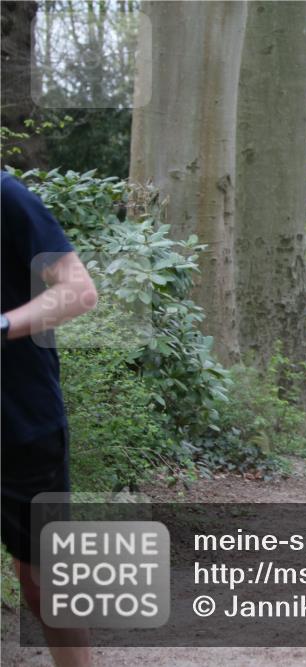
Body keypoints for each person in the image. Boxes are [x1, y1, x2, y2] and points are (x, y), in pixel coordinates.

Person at [2, 171, 97, 667]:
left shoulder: (7, 197)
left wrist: (2, 324)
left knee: (44, 581)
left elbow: (78, 290)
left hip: (20, 424)